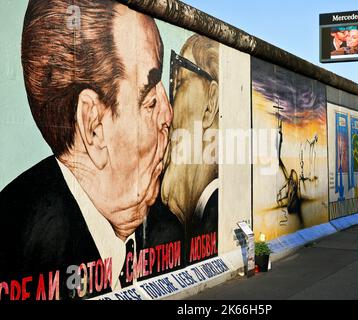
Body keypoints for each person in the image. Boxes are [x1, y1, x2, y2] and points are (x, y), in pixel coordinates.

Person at [0, 0, 174, 300]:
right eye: (150, 101)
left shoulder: (168, 230)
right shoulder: (14, 243)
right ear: (93, 126)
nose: (168, 115)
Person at [160, 35, 219, 264]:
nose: (167, 107)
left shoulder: (214, 212)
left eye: (179, 80)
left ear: (210, 103)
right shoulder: (190, 215)